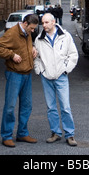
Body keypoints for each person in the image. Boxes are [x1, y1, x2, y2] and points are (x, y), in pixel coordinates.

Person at [0, 13, 39, 148]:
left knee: (26, 105)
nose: (33, 31)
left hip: (26, 73)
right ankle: (6, 136)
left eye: (34, 29)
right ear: (25, 23)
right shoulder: (12, 33)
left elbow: (24, 46)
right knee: (10, 106)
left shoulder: (27, 33)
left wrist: (33, 48)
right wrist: (11, 55)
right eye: (31, 28)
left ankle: (22, 133)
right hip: (14, 74)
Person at [34, 13, 78, 146]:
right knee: (51, 107)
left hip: (61, 76)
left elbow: (73, 55)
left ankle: (70, 135)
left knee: (65, 107)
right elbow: (36, 57)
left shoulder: (65, 36)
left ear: (53, 22)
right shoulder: (39, 39)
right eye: (43, 23)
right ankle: (55, 133)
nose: (44, 25)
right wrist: (39, 70)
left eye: (47, 22)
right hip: (46, 77)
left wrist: (66, 69)